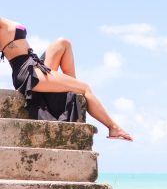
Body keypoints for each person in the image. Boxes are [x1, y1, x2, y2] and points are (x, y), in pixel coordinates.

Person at [0, 17, 132, 141]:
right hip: (29, 72)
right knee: (84, 88)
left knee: (63, 43)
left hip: (35, 65)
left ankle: (69, 90)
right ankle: (113, 128)